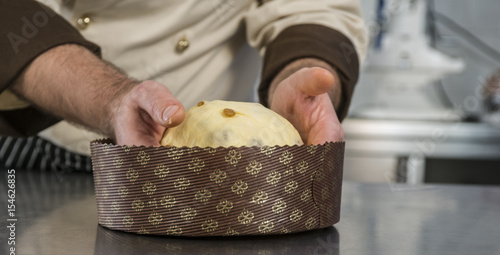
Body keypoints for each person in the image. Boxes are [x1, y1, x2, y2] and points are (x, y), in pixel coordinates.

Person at [0, 0, 367, 172]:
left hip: (215, 167)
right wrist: (112, 99)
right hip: (39, 148)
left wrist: (306, 77)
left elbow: (312, 9)